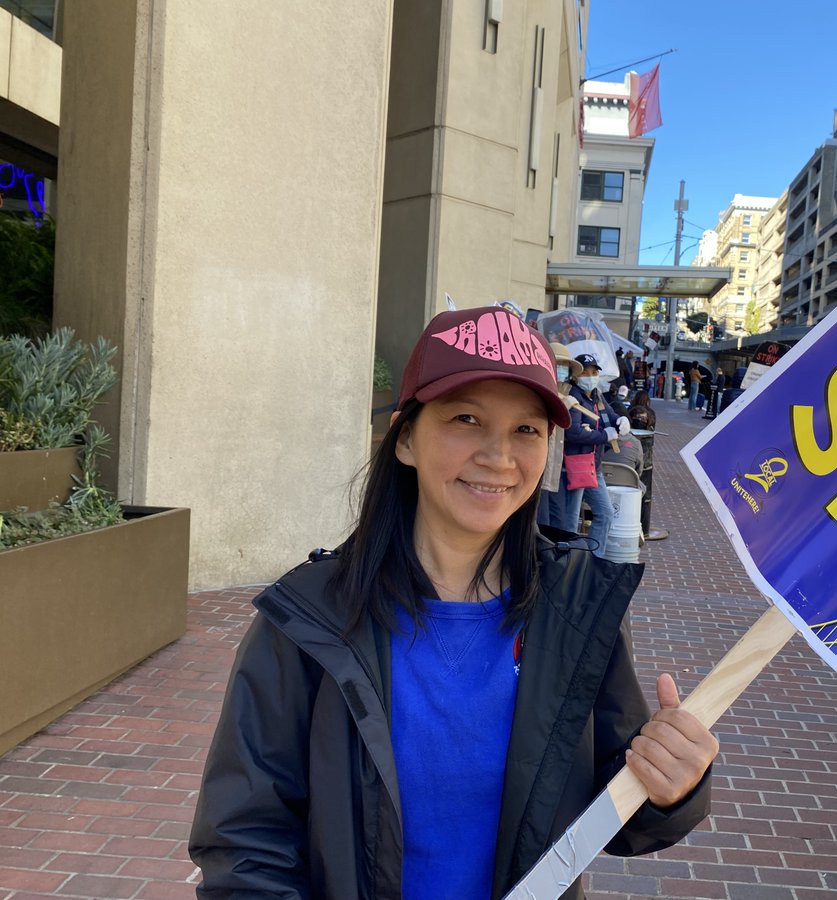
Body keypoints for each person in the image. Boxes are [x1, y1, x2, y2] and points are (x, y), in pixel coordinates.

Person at [189, 307, 717, 900]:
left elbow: (614, 808)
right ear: (406, 438)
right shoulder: (309, 618)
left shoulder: (576, 610)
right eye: (466, 419)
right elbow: (245, 840)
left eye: (527, 430)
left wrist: (673, 786)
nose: (499, 456)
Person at [563, 353, 627, 559]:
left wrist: (620, 420)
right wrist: (602, 436)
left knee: (605, 513)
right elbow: (572, 432)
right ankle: (568, 563)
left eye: (594, 372)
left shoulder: (596, 395)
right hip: (574, 466)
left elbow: (609, 415)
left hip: (593, 466)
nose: (591, 376)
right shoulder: (573, 395)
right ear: (575, 375)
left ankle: (594, 559)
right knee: (569, 521)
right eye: (586, 372)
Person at [538, 342, 581, 532]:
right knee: (541, 523)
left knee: (558, 523)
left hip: (554, 474)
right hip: (539, 472)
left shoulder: (566, 392)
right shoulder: (540, 389)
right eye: (559, 365)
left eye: (566, 366)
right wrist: (563, 407)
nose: (563, 370)